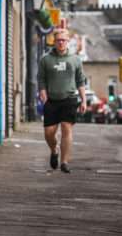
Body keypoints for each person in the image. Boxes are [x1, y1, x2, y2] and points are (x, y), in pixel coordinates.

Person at [37, 29, 87, 173]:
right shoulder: (45, 59)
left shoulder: (76, 60)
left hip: (69, 99)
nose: (60, 42)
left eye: (63, 40)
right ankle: (54, 150)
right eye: (58, 40)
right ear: (54, 41)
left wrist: (84, 101)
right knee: (49, 133)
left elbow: (80, 80)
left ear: (68, 42)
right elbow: (41, 80)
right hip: (51, 100)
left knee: (66, 128)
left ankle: (64, 162)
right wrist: (45, 99)